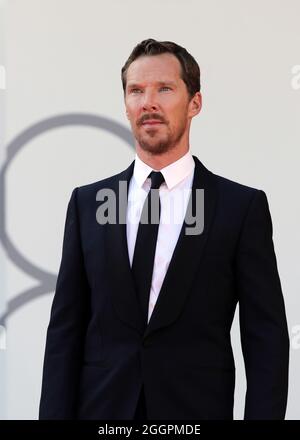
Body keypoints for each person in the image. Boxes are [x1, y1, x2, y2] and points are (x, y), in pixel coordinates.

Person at [39, 38, 289, 420]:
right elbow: (64, 333)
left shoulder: (240, 208)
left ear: (195, 104)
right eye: (136, 91)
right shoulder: (88, 204)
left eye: (164, 89)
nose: (148, 102)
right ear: (125, 106)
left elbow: (266, 339)